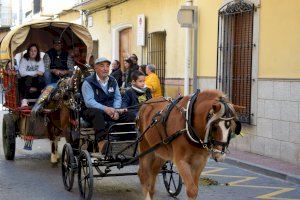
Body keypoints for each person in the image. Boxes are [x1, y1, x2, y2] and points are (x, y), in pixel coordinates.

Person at [81, 57, 135, 153]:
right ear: (95, 68)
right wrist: (105, 109)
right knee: (97, 114)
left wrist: (116, 109)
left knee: (129, 115)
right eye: (102, 66)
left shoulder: (112, 80)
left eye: (107, 66)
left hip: (111, 110)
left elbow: (117, 98)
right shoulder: (88, 82)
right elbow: (89, 102)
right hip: (92, 111)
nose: (106, 69)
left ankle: (125, 144)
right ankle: (101, 144)